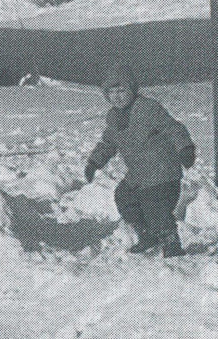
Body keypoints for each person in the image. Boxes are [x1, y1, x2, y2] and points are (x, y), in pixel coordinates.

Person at [83, 64, 196, 258]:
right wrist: (94, 162)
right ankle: (147, 235)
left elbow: (172, 127)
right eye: (111, 92)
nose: (117, 96)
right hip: (140, 172)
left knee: (155, 207)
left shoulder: (148, 108)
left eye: (122, 91)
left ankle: (171, 244)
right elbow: (108, 143)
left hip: (163, 169)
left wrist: (185, 148)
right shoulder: (113, 117)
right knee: (124, 196)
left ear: (132, 90)